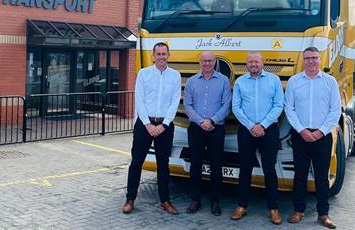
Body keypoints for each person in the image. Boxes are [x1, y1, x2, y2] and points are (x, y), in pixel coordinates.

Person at [121, 42, 182, 215]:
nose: (161, 57)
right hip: (144, 125)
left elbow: (174, 102)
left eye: (164, 54)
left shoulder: (175, 76)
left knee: (163, 165)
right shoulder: (143, 74)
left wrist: (164, 125)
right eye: (158, 54)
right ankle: (130, 199)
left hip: (165, 126)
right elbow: (139, 100)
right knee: (136, 162)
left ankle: (165, 201)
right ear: (153, 55)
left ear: (168, 55)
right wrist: (148, 124)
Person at [284, 47, 341, 229]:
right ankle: (298, 210)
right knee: (299, 175)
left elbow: (335, 110)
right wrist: (301, 130)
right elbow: (289, 109)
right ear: (303, 60)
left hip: (321, 136)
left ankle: (323, 214)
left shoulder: (330, 82)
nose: (310, 61)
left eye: (314, 58)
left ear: (319, 59)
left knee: (321, 176)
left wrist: (320, 131)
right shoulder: (294, 81)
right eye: (307, 58)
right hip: (300, 135)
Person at [230, 52, 284, 225]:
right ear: (246, 64)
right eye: (250, 61)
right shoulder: (240, 82)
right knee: (245, 169)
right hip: (247, 130)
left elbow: (278, 105)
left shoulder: (274, 80)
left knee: (269, 169)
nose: (253, 64)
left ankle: (273, 208)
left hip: (268, 130)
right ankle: (241, 206)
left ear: (262, 63)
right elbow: (236, 107)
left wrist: (263, 125)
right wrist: (251, 126)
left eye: (256, 61)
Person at [183, 51, 231, 215]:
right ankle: (195, 200)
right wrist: (200, 121)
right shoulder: (191, 81)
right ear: (200, 62)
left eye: (210, 61)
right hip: (196, 128)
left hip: (216, 128)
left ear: (215, 62)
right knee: (195, 164)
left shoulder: (224, 81)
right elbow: (187, 105)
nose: (207, 64)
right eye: (204, 61)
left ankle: (215, 201)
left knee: (216, 165)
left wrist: (212, 121)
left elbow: (227, 104)